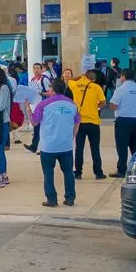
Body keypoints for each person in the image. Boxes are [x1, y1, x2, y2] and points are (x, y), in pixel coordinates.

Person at [31, 79, 79, 207]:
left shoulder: (43, 105)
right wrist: (71, 137)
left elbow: (35, 122)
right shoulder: (73, 105)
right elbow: (77, 123)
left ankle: (51, 199)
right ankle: (70, 198)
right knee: (68, 172)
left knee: (48, 172)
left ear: (52, 89)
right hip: (66, 145)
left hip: (48, 146)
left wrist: (28, 109)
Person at [69, 68, 106, 180]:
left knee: (79, 148)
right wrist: (96, 107)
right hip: (93, 122)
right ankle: (98, 173)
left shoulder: (75, 85)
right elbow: (103, 103)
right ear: (93, 78)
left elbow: (70, 79)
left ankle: (78, 172)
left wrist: (81, 75)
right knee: (95, 148)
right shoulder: (96, 87)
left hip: (79, 122)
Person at [109, 69, 136, 178]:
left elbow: (113, 106)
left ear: (123, 76)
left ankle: (121, 170)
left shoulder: (120, 90)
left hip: (123, 122)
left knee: (122, 147)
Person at [24, 62, 52, 154]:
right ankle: (34, 146)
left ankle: (42, 147)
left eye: (38, 68)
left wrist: (41, 93)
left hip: (43, 107)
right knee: (36, 127)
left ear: (41, 69)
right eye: (34, 68)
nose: (36, 70)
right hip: (35, 107)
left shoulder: (44, 80)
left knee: (42, 128)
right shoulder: (32, 80)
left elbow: (50, 93)